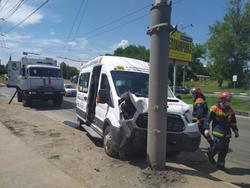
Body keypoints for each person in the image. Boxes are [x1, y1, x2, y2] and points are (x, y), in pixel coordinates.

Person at [204, 92, 239, 172]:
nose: (229, 101)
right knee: (217, 146)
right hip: (218, 131)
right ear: (223, 100)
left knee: (224, 150)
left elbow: (233, 122)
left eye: (230, 100)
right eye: (228, 100)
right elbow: (207, 119)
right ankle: (210, 154)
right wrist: (206, 128)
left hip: (227, 133)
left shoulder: (230, 110)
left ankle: (221, 166)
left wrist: (235, 130)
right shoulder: (214, 108)